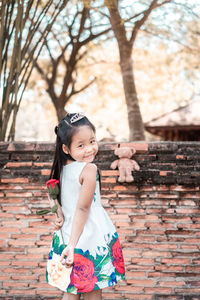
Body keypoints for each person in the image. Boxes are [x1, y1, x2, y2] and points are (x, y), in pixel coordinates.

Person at [47, 113, 125, 300]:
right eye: (81, 145)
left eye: (92, 141)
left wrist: (59, 216)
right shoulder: (89, 169)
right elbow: (82, 209)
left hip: (67, 234)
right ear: (66, 148)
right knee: (93, 290)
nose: (89, 149)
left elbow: (53, 196)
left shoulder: (61, 170)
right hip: (88, 237)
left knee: (71, 290)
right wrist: (73, 246)